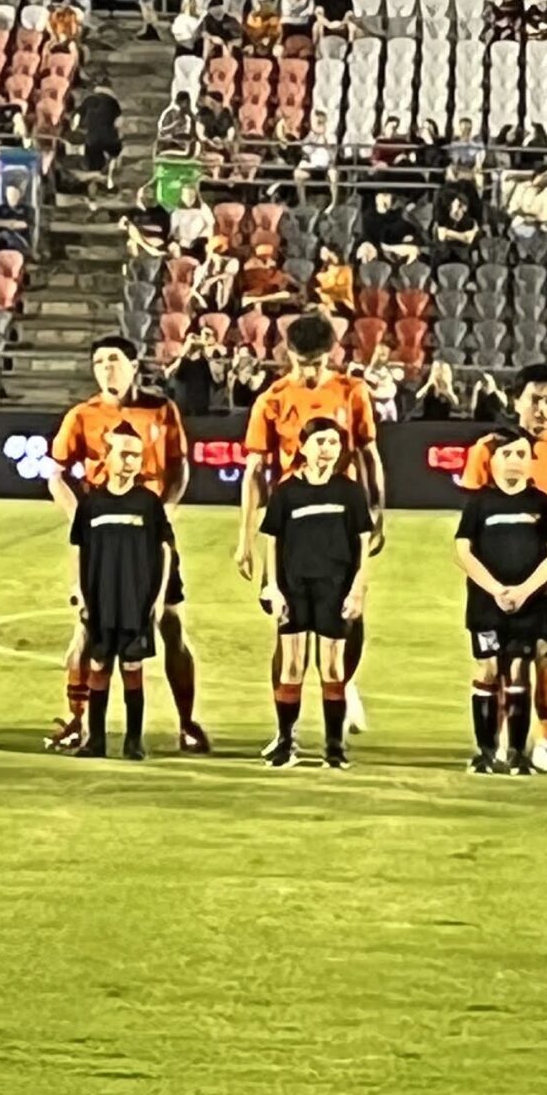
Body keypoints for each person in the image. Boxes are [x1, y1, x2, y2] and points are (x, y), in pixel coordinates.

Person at [47, 339, 208, 753]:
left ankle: (186, 722)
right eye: (98, 362)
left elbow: (179, 468)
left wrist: (165, 511)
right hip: (105, 539)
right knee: (86, 632)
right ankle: (79, 723)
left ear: (134, 365)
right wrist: (79, 517)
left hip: (148, 532)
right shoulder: (82, 415)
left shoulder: (161, 410)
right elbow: (57, 474)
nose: (106, 369)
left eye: (114, 360)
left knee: (170, 625)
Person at [236, 312, 386, 729]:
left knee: (349, 612)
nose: (309, 373)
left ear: (331, 356)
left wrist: (378, 513)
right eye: (302, 364)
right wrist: (245, 537)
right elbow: (253, 470)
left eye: (317, 365)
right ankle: (286, 723)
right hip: (292, 519)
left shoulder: (351, 392)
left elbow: (368, 455)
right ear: (289, 356)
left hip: (342, 515)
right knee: (286, 621)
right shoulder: (273, 398)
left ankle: (344, 682)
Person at [461, 363, 547, 772]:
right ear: (516, 400)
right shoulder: (487, 449)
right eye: (535, 399)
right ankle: (500, 746)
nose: (542, 408)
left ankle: (545, 740)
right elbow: (474, 516)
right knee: (500, 662)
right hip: (500, 575)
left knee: (545, 657)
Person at [256, 415, 372, 769]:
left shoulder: (349, 492)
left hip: (334, 588)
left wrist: (357, 590)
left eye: (333, 443)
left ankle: (334, 747)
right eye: (320, 442)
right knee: (291, 666)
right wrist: (273, 587)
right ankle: (286, 741)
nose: (327, 450)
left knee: (333, 668)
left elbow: (363, 544)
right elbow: (272, 539)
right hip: (294, 588)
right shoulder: (287, 491)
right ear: (303, 447)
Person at [68, 424, 174, 762]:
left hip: (136, 601)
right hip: (100, 599)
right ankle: (95, 740)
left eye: (136, 455)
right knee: (99, 666)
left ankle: (133, 741)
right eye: (124, 454)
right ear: (106, 456)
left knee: (132, 668)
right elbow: (78, 548)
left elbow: (165, 549)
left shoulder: (148, 503)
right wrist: (79, 592)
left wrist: (157, 599)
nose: (130, 461)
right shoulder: (91, 503)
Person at [73, 77, 124, 188]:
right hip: (109, 136)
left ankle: (93, 187)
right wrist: (120, 137)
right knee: (114, 154)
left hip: (92, 138)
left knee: (93, 164)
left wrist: (74, 129)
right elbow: (118, 124)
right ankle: (110, 174)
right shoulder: (114, 103)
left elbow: (77, 117)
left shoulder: (89, 100)